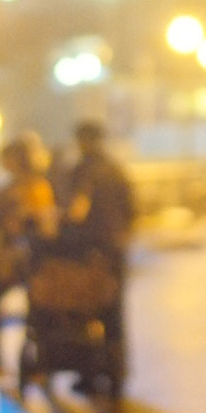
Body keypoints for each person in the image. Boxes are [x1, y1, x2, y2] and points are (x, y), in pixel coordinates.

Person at [58, 119, 135, 391]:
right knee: (114, 310)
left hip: (90, 251)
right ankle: (116, 369)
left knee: (86, 310)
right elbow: (130, 208)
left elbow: (77, 212)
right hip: (116, 248)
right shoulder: (115, 169)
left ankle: (91, 372)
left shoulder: (84, 171)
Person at [0, 132, 56, 383]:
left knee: (35, 312)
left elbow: (44, 224)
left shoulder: (35, 186)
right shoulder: (18, 186)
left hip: (28, 258)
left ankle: (33, 365)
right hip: (14, 257)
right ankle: (10, 364)